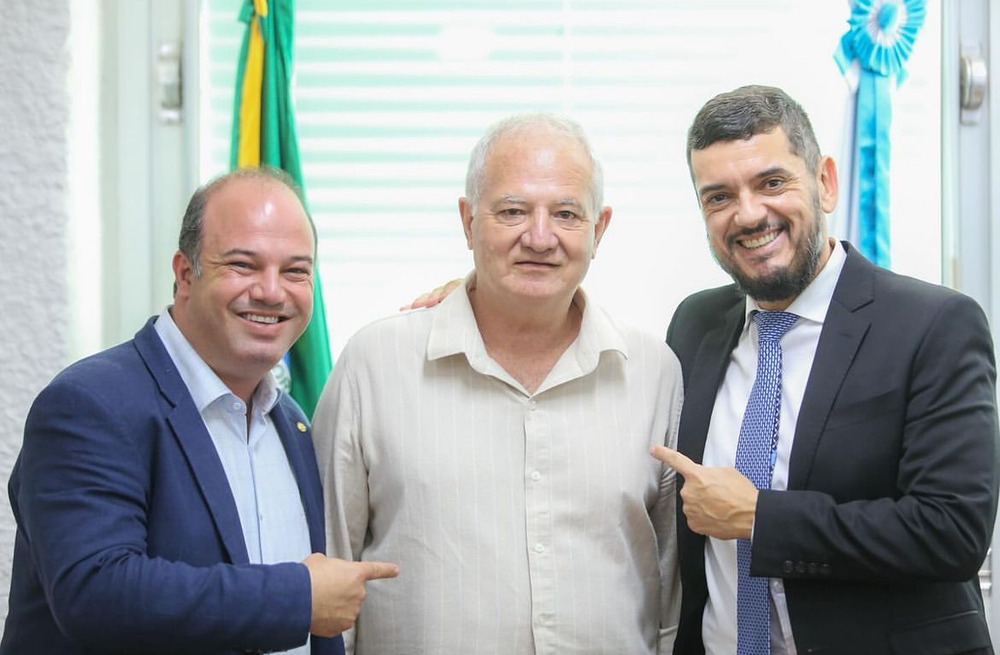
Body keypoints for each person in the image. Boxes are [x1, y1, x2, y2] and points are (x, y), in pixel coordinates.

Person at [311, 113, 683, 654]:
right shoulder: (375, 363)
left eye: (565, 214)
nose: (539, 236)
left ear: (598, 230)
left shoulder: (654, 373)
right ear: (468, 221)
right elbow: (328, 576)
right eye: (512, 211)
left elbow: (672, 588)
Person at [651, 85, 999, 655]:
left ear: (826, 182)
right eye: (718, 197)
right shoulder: (694, 324)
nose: (748, 214)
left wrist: (760, 517)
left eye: (771, 182)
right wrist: (474, 299)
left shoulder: (934, 325)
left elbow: (950, 531)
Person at [1, 168, 399, 655]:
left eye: (296, 271)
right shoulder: (90, 403)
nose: (272, 291)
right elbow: (94, 592)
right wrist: (298, 597)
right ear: (185, 274)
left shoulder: (290, 421)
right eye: (243, 265)